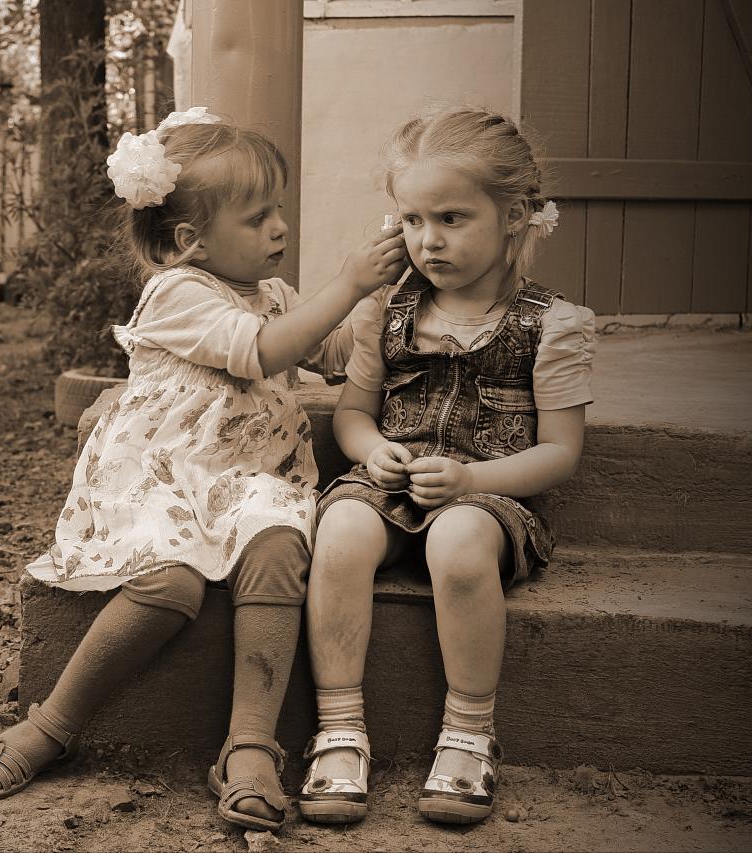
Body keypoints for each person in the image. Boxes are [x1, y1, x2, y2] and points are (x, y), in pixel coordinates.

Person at [0, 106, 407, 833]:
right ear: (187, 241)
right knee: (169, 582)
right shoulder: (177, 293)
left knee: (280, 548)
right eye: (258, 218)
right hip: (164, 475)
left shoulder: (276, 296)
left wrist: (376, 304)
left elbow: (326, 353)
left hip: (251, 477)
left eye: (279, 211)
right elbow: (262, 351)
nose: (280, 229)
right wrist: (348, 284)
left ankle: (250, 746)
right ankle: (53, 723)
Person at [297, 106, 596, 827]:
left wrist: (471, 481)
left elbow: (560, 452)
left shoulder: (551, 325)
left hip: (490, 494)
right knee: (338, 533)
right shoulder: (385, 312)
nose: (428, 240)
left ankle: (468, 732)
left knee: (458, 543)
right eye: (412, 219)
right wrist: (373, 450)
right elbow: (353, 414)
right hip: (391, 483)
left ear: (514, 215)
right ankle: (340, 729)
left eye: (452, 218)